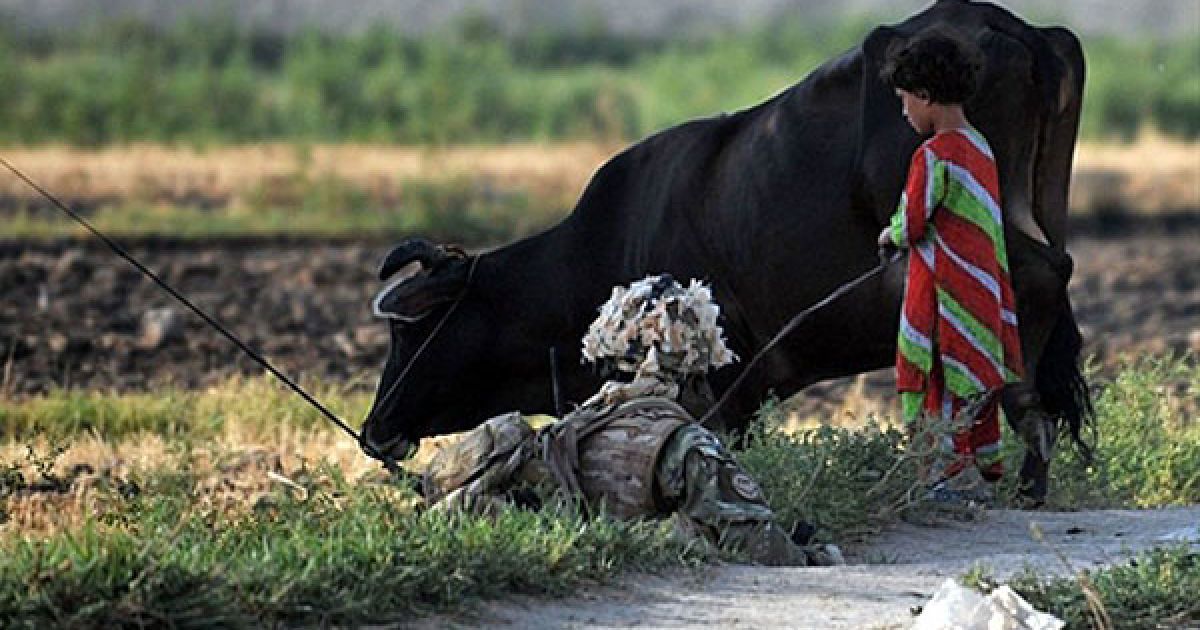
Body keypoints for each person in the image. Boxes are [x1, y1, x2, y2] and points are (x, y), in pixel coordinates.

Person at [412, 274, 841, 566]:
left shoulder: (576, 425)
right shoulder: (685, 444)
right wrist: (815, 556)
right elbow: (753, 541)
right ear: (692, 365)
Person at [875, 30, 1024, 496]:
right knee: (972, 382)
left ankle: (940, 483)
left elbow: (913, 222)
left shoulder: (932, 156)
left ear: (925, 96)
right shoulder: (981, 148)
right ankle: (978, 477)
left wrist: (889, 233)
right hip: (980, 295)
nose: (904, 112)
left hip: (941, 297)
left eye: (905, 101)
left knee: (936, 382)